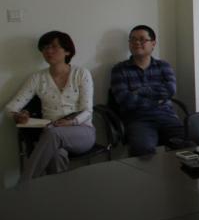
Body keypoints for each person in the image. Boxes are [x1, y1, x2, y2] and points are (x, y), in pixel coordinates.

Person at [5, 31, 95, 179]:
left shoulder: (81, 73)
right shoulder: (37, 78)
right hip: (51, 135)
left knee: (53, 133)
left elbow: (88, 111)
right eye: (45, 47)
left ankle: (25, 183)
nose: (48, 51)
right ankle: (58, 193)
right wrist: (18, 115)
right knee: (56, 154)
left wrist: (71, 122)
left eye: (54, 46)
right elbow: (11, 107)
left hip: (82, 131)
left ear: (67, 51)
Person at [110, 25, 184, 156]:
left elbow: (170, 90)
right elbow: (125, 100)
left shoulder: (163, 66)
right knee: (143, 152)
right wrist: (156, 100)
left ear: (153, 44)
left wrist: (139, 92)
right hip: (137, 119)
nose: (137, 43)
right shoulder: (119, 69)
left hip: (166, 117)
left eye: (142, 39)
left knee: (186, 146)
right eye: (133, 39)